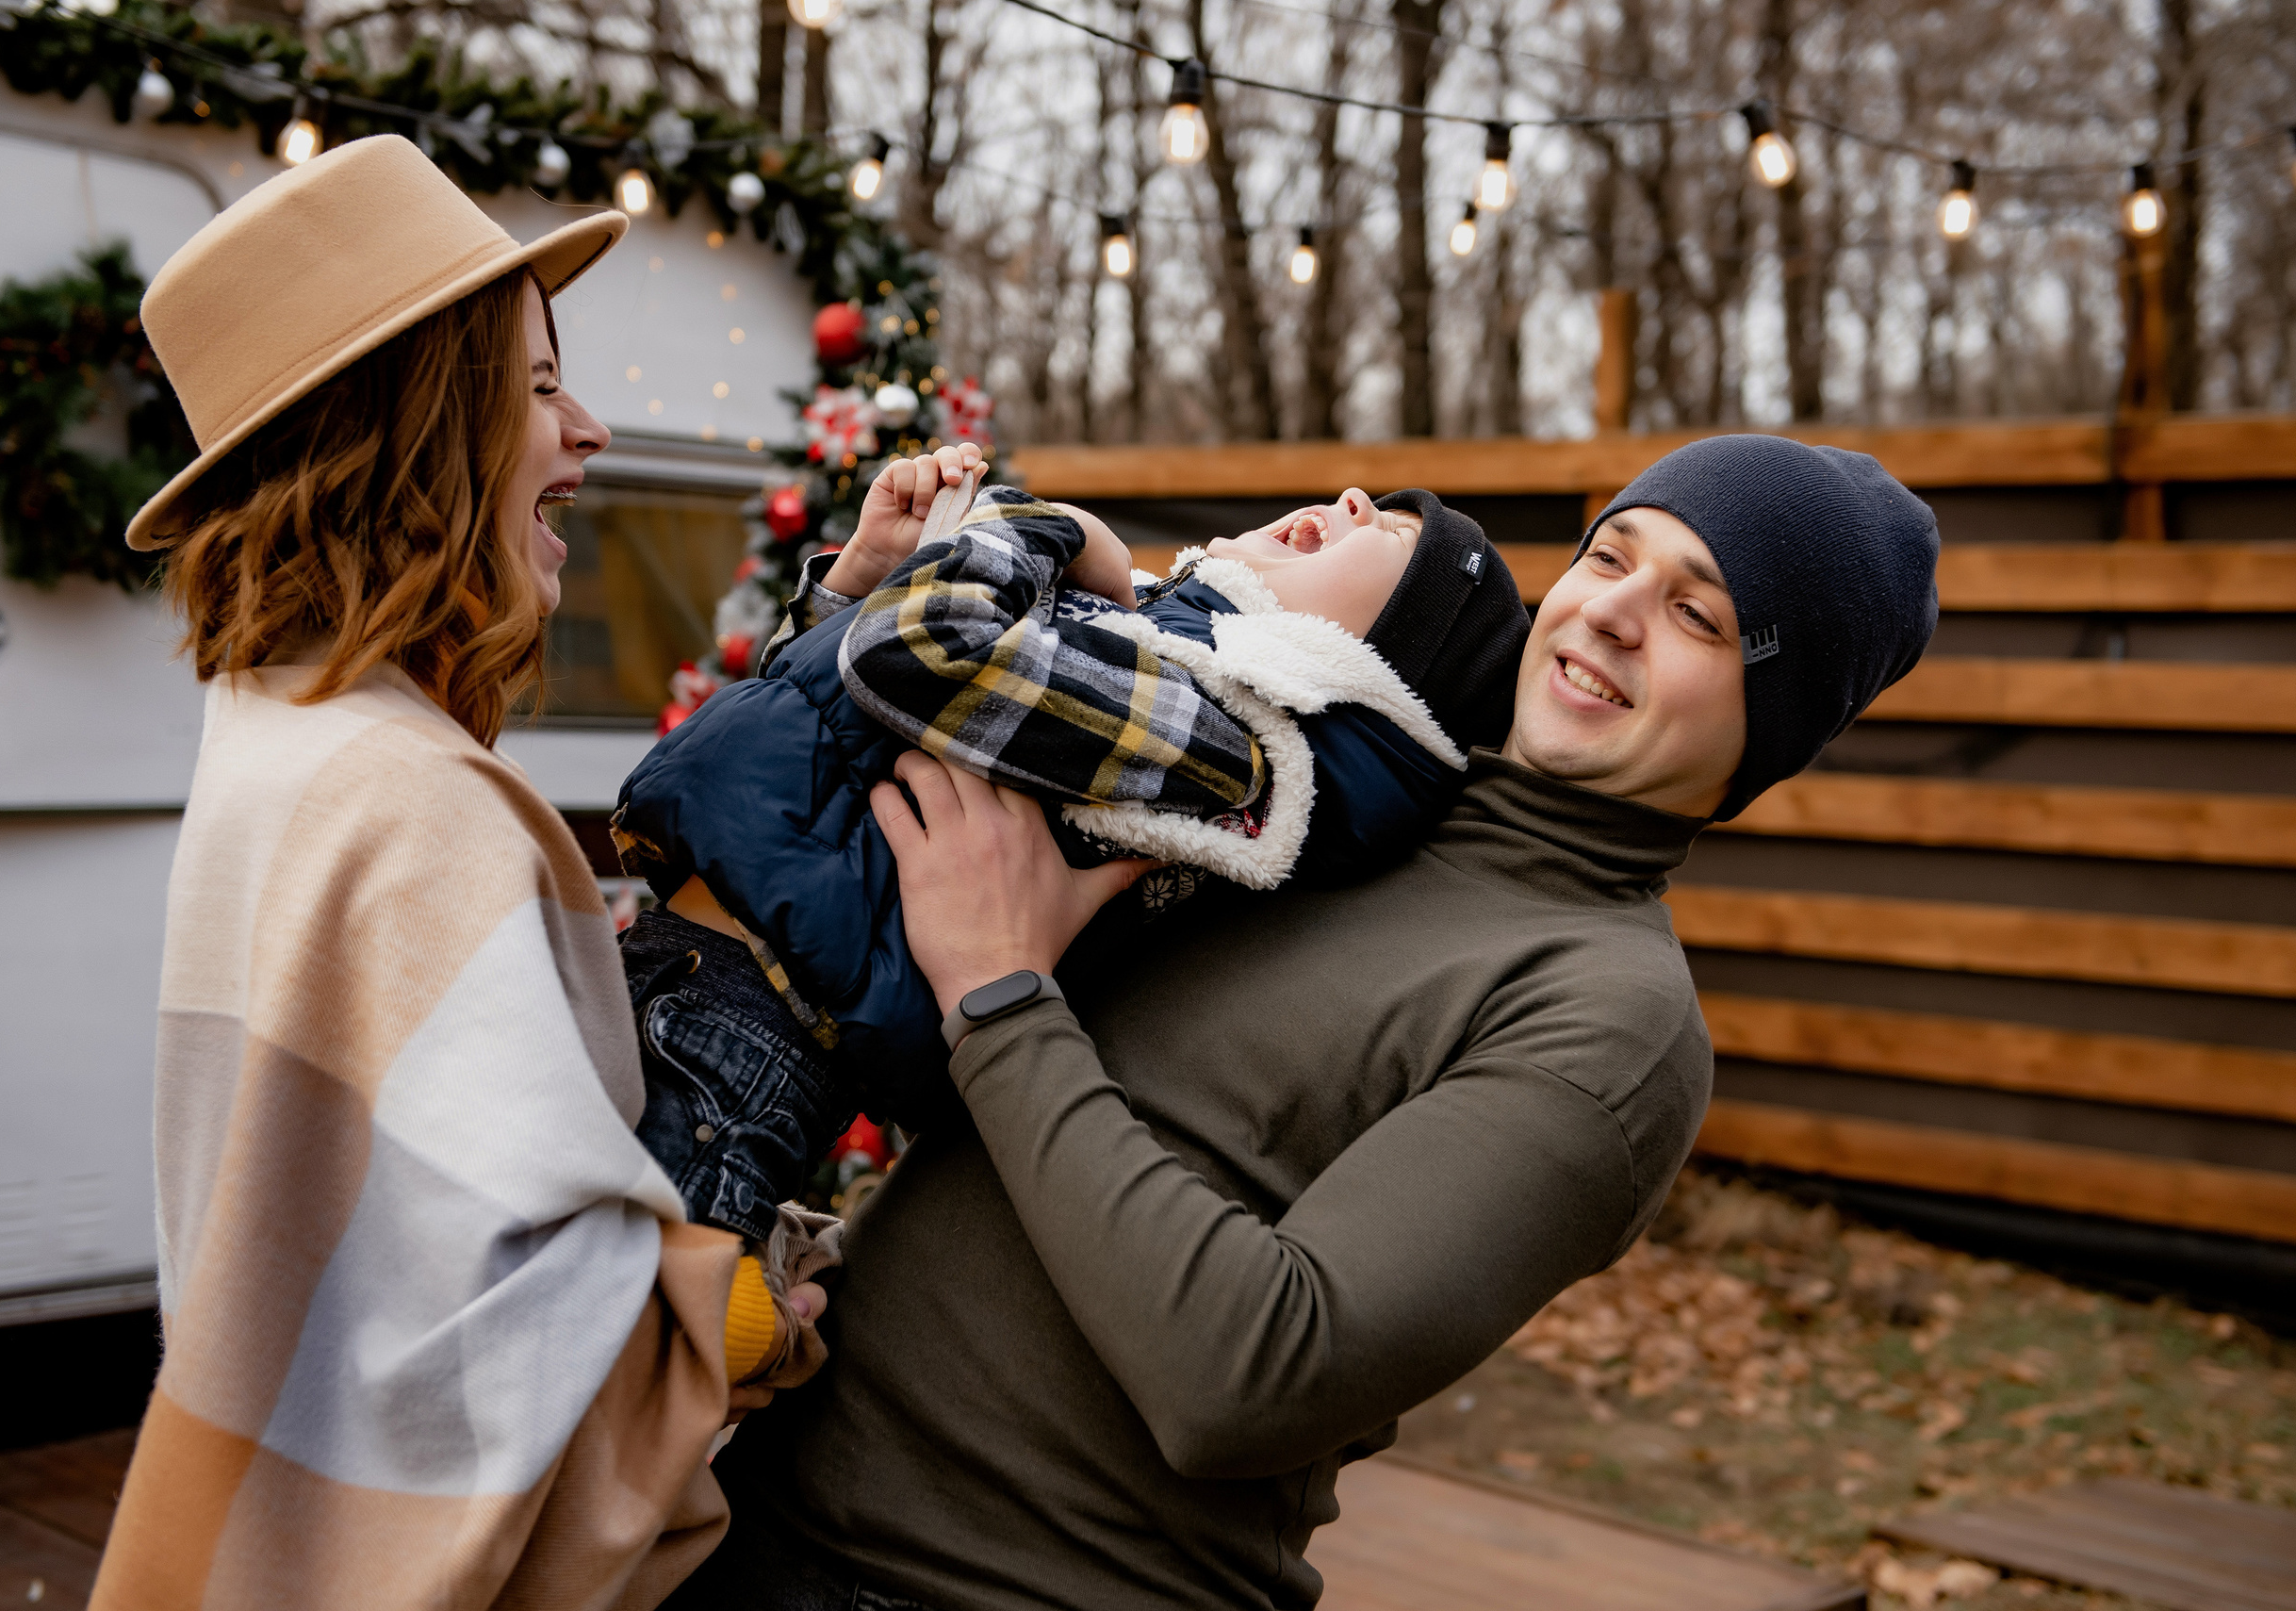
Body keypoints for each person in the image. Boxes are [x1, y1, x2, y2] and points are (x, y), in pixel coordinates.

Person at [679, 434, 1941, 1610]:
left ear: (1768, 726)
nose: (1612, 610)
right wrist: (858, 603)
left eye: (1696, 614)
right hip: (753, 1503)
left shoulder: (1608, 1015)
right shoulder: (1327, 783)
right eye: (1611, 555)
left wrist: (1003, 994)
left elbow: (1249, 1379)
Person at [90, 136, 823, 1611]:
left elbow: (371, 1256)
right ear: (418, 432)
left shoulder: (274, 737)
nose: (589, 430)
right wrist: (745, 1320)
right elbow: (520, 1333)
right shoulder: (423, 806)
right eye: (539, 388)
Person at [606, 451, 1528, 1241]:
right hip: (687, 969)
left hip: (736, 1028)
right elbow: (831, 737)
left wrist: (1049, 525)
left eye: (1397, 540)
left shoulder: (1228, 736)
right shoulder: (1153, 640)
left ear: (1378, 671)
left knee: (586, 1326)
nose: (1360, 499)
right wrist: (859, 580)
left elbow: (920, 650)